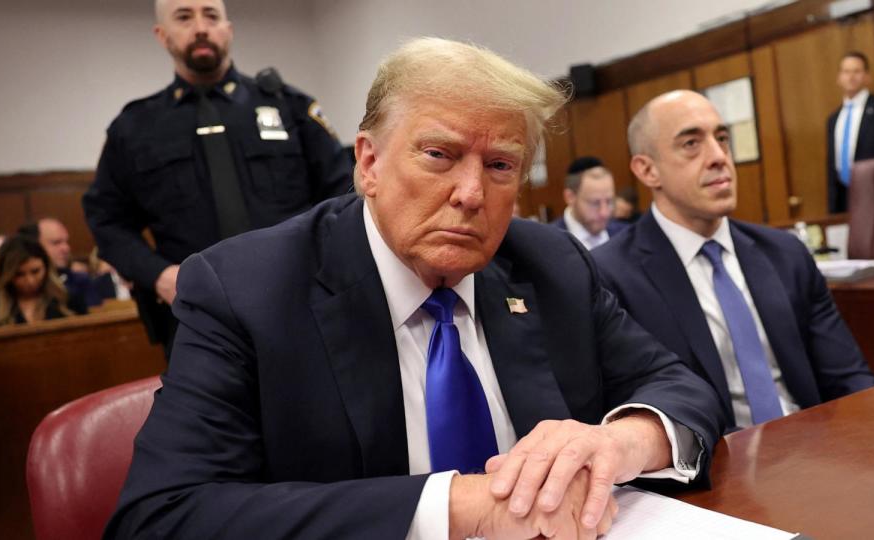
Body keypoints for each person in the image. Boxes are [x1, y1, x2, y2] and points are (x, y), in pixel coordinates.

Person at [106, 38, 726, 539]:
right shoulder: (246, 288)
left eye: (500, 165)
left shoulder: (550, 262)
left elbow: (682, 387)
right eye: (438, 154)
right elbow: (162, 514)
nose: (471, 193)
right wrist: (462, 507)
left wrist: (619, 441)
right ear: (368, 163)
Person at [593, 90, 874, 432]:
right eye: (691, 144)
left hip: (814, 448)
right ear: (648, 170)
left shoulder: (785, 253)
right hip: (713, 466)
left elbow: (848, 377)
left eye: (722, 138)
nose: (718, 156)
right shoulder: (610, 275)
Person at [83, 0, 353, 357]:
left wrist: (325, 267)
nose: (200, 27)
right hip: (199, 316)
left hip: (301, 302)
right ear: (162, 35)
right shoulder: (134, 128)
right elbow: (107, 219)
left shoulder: (290, 107)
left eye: (210, 15)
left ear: (228, 29)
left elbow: (345, 195)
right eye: (183, 17)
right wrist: (159, 275)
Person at [826, 51, 874, 214]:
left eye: (856, 71)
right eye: (846, 72)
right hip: (845, 200)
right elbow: (832, 167)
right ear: (839, 77)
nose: (851, 77)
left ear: (867, 76)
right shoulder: (833, 119)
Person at [0, 236, 86, 326]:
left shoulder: (69, 300)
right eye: (19, 275)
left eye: (35, 271)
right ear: (6, 276)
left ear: (46, 268)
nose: (30, 281)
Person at [17, 219, 98, 308]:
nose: (66, 248)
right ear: (34, 246)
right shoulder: (21, 285)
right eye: (56, 243)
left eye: (66, 242)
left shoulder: (79, 281)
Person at [551, 156, 626, 249]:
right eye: (595, 203)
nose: (604, 213)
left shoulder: (626, 236)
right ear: (570, 197)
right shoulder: (549, 242)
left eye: (609, 201)